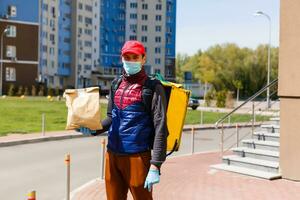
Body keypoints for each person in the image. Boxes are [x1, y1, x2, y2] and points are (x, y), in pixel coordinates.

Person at [78, 40, 168, 200]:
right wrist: (93, 129)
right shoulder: (116, 83)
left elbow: (160, 126)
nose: (131, 61)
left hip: (137, 156)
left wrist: (156, 165)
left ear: (143, 59)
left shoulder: (153, 87)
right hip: (112, 155)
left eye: (135, 57)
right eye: (127, 57)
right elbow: (111, 117)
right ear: (122, 58)